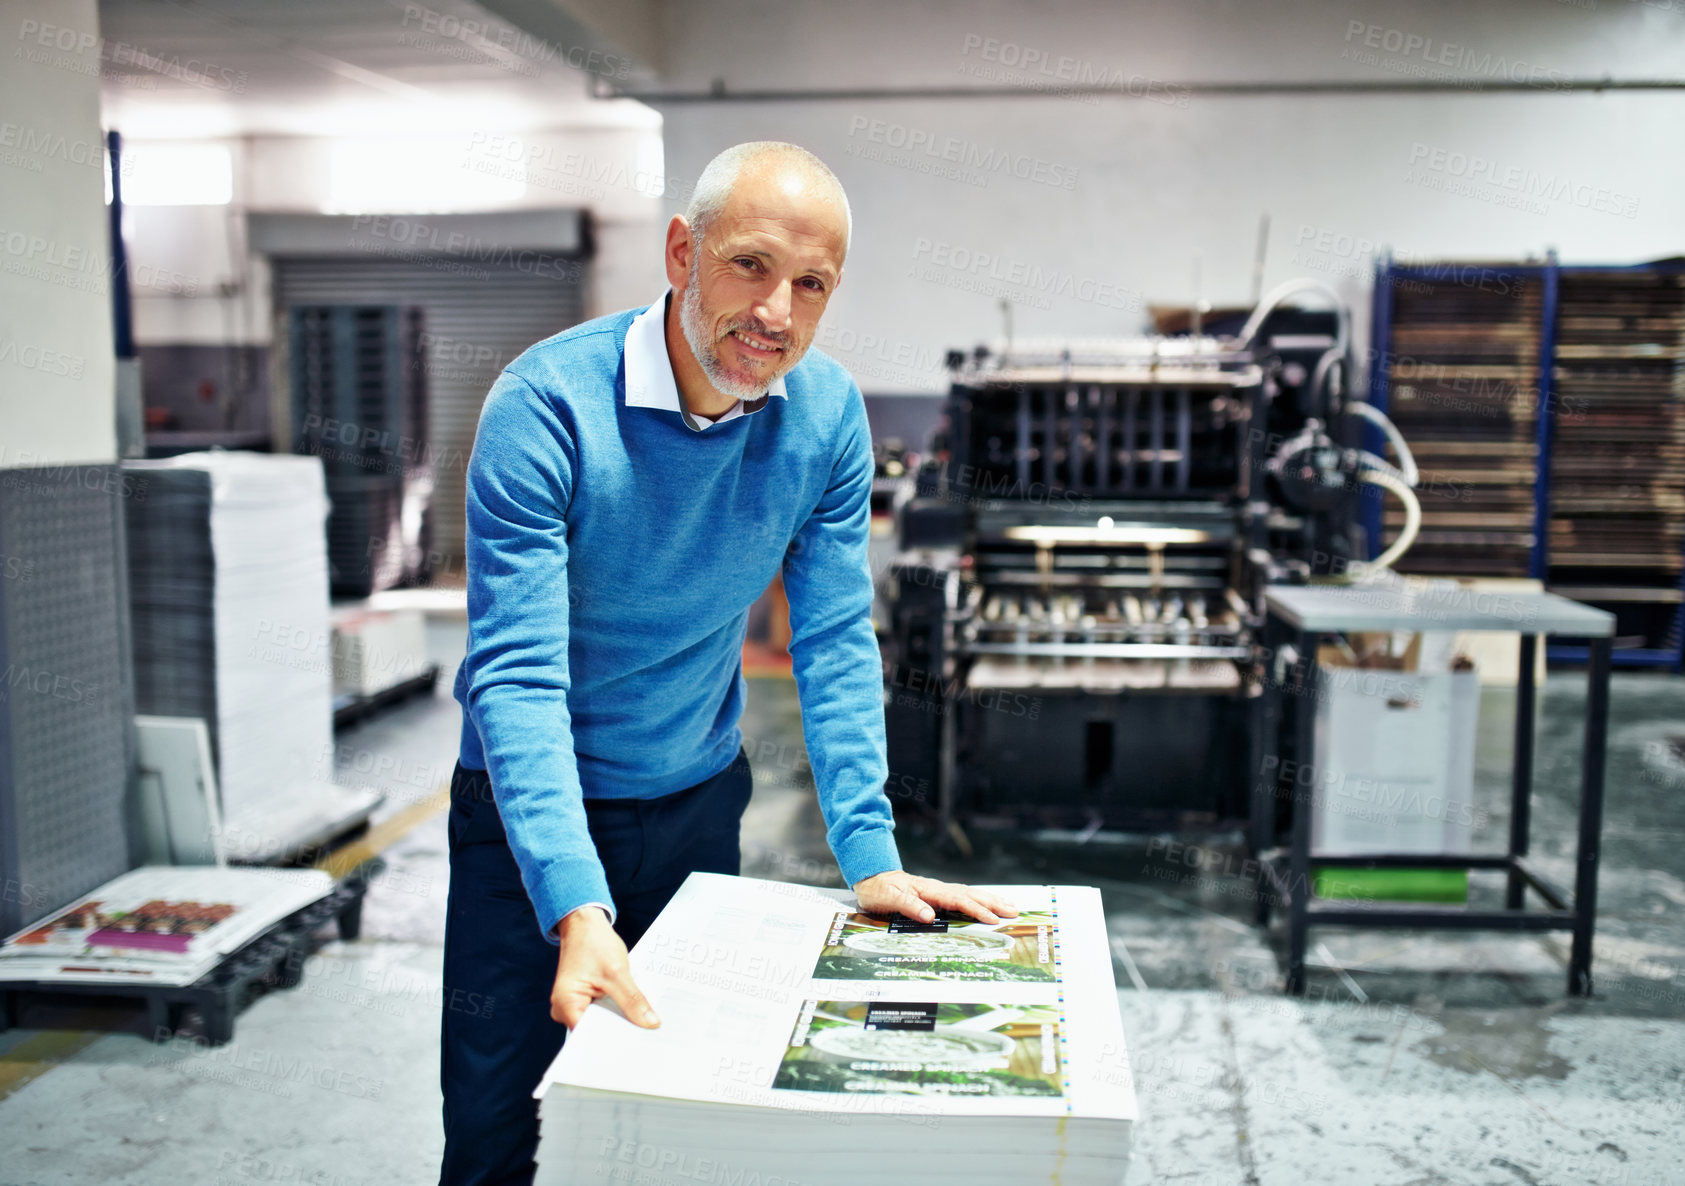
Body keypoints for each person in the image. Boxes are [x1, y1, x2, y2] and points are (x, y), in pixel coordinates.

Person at [440, 140, 1016, 1186]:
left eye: (811, 285)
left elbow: (836, 638)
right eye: (749, 265)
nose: (776, 314)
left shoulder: (827, 419)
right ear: (679, 252)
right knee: (500, 1129)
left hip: (696, 803)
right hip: (523, 814)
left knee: (676, 1112)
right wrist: (574, 902)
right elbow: (516, 677)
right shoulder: (547, 409)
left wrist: (868, 850)